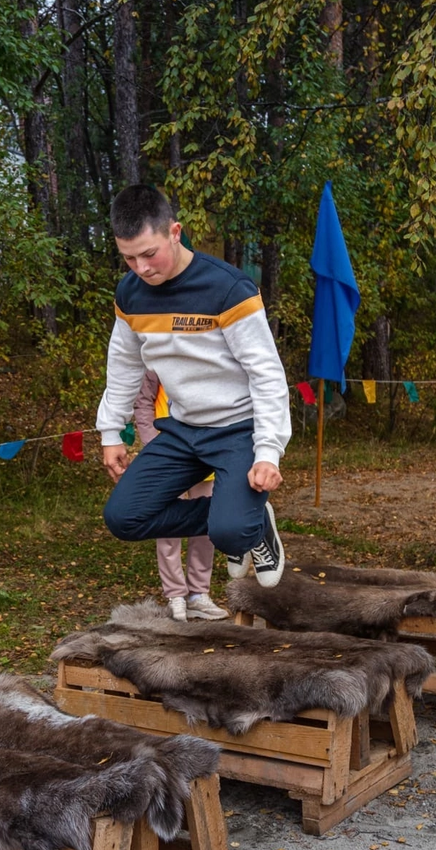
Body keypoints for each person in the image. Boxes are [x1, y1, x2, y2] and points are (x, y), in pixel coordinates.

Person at [95, 185, 291, 587]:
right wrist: (111, 431)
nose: (141, 268)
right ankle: (245, 517)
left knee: (229, 533)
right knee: (123, 518)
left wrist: (269, 451)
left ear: (175, 232)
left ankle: (242, 525)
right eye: (129, 258)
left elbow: (266, 374)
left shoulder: (228, 289)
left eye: (149, 253)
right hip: (182, 429)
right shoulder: (130, 295)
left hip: (238, 428)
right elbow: (125, 363)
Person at [133, 369, 228, 620]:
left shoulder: (208, 360)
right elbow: (142, 403)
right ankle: (175, 595)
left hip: (205, 453)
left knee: (206, 524)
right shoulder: (157, 358)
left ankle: (198, 594)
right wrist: (154, 445)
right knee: (168, 524)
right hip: (168, 456)